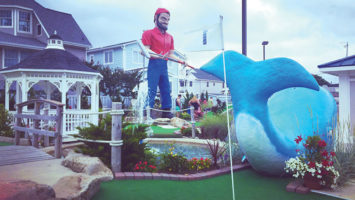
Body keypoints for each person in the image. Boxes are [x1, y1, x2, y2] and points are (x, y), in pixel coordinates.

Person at [141, 8, 185, 118]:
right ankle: (147, 112)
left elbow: (170, 54)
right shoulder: (148, 33)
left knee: (166, 88)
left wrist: (181, 61)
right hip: (154, 64)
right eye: (163, 18)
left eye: (168, 19)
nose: (166, 21)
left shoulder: (170, 37)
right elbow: (145, 51)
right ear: (156, 18)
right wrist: (159, 56)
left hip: (164, 66)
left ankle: (166, 112)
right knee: (152, 89)